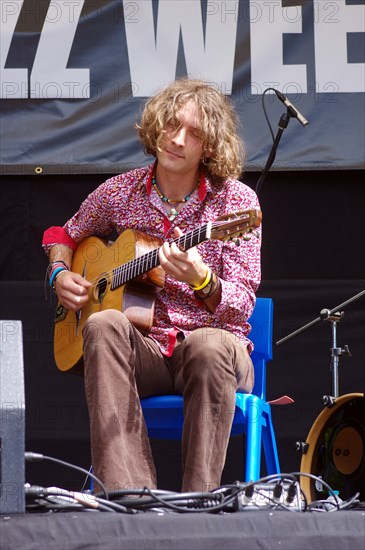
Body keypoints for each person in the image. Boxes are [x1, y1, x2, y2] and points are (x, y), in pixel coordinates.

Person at [42, 78, 261, 494]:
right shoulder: (119, 192)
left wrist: (203, 281)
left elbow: (241, 307)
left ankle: (197, 506)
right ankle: (132, 499)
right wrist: (59, 274)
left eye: (193, 133)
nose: (177, 139)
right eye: (171, 125)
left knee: (208, 345)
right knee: (103, 324)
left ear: (210, 147)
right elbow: (63, 235)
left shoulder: (236, 203)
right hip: (147, 352)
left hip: (214, 353)